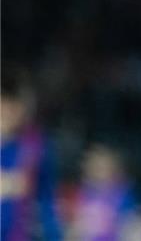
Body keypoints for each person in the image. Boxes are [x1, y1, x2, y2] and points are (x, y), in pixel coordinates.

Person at [1, 69, 63, 241]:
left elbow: (47, 201)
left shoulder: (36, 145)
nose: (9, 113)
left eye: (15, 107)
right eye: (4, 107)